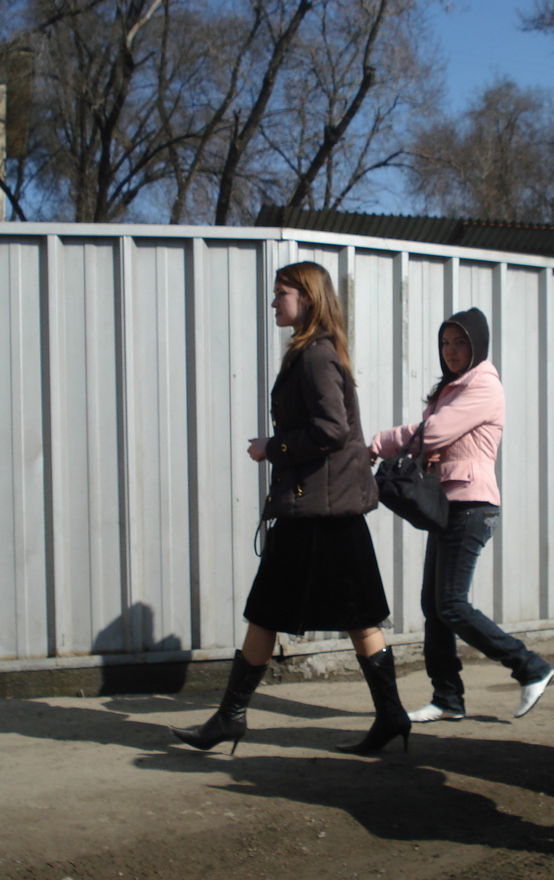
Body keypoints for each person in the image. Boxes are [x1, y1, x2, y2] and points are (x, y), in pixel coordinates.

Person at [171, 262, 410, 757]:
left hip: (318, 513)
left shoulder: (315, 356)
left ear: (307, 297)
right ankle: (389, 714)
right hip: (325, 509)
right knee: (350, 616)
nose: (274, 302)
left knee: (273, 612)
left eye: (281, 294)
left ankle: (231, 717)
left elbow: (331, 430)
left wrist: (273, 448)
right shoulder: (316, 351)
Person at [370, 308, 554, 723]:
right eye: (445, 343)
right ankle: (447, 699)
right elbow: (436, 439)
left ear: (478, 345)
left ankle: (531, 667)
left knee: (450, 604)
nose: (451, 351)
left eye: (460, 343)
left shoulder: (484, 383)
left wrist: (379, 443)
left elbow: (431, 433)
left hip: (473, 505)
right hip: (450, 503)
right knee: (433, 606)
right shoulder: (452, 388)